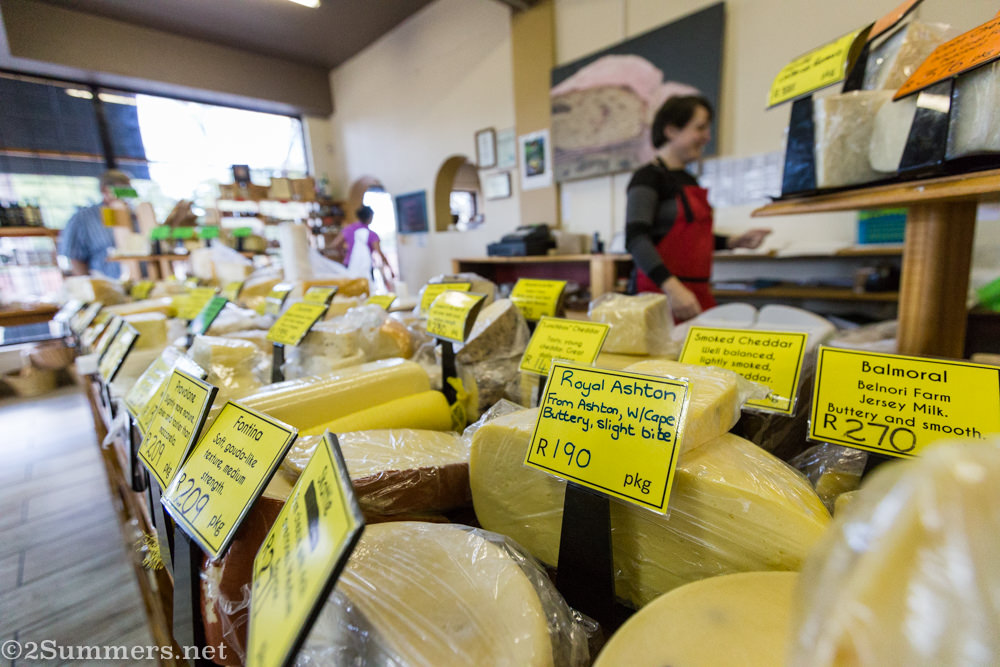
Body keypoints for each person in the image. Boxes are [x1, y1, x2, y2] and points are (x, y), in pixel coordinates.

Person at [625, 95, 770, 321]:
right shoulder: (648, 177)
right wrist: (672, 288)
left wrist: (733, 242)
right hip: (659, 295)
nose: (707, 137)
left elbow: (691, 238)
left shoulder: (689, 180)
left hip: (696, 293)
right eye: (700, 128)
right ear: (671, 130)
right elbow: (636, 238)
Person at [59, 169, 133, 279]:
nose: (128, 194)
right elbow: (74, 258)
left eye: (129, 189)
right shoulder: (82, 219)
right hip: (106, 282)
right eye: (123, 189)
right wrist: (90, 286)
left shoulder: (134, 216)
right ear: (105, 190)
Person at [343, 205, 395, 284]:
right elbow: (379, 253)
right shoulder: (372, 234)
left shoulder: (348, 229)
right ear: (370, 217)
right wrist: (390, 269)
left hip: (348, 265)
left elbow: (335, 244)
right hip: (365, 267)